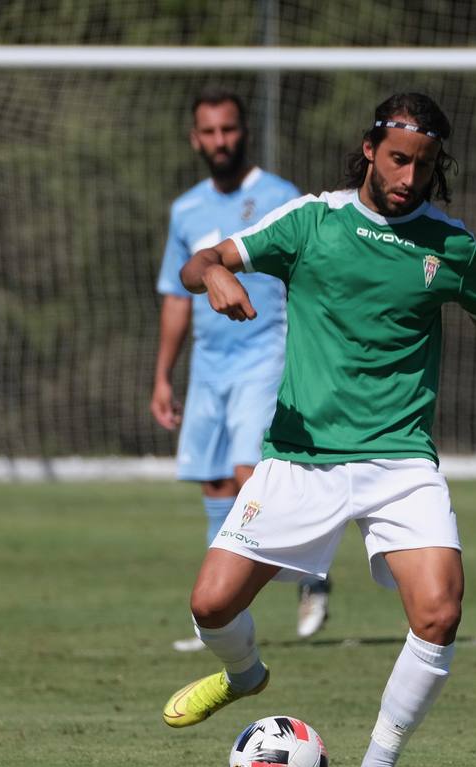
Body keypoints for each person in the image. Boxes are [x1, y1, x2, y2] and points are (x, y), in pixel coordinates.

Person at [160, 93, 476, 767]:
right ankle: (243, 674)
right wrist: (217, 275)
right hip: (300, 456)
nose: (409, 176)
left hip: (400, 461)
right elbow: (202, 262)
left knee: (439, 611)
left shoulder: (451, 245)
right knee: (210, 605)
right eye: (399, 159)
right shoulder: (313, 221)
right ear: (372, 149)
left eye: (425, 164)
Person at [153, 87, 330, 652]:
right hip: (209, 366)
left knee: (249, 478)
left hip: (265, 355)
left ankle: (310, 575)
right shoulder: (186, 209)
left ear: (243, 131)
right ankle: (218, 622)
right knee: (212, 481)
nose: (219, 141)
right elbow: (176, 297)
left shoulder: (280, 197)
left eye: (228, 130)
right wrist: (163, 374)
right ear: (194, 138)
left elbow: (310, 276)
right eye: (209, 132)